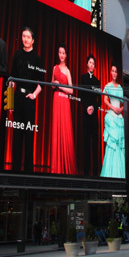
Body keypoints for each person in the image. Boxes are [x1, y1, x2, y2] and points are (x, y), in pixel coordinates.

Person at [9, 27, 43, 172]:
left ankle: (29, 171)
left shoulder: (37, 58)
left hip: (30, 98)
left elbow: (41, 83)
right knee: (16, 135)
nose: (25, 39)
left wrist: (34, 95)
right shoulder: (17, 55)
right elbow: (11, 80)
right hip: (17, 96)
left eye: (28, 37)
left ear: (33, 40)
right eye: (23, 36)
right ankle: (15, 169)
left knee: (29, 135)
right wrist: (10, 101)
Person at [49, 44, 77, 175]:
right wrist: (55, 85)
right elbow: (51, 85)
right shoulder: (54, 67)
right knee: (56, 128)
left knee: (65, 129)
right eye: (59, 52)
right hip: (56, 99)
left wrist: (60, 86)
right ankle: (55, 168)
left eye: (63, 53)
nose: (61, 55)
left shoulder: (67, 70)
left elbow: (71, 90)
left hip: (64, 99)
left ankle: (66, 167)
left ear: (66, 55)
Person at [100, 65, 124, 178]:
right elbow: (104, 99)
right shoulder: (107, 86)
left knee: (120, 145)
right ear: (110, 72)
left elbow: (124, 102)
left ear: (117, 73)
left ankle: (120, 173)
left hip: (119, 118)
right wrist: (113, 108)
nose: (114, 73)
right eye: (113, 71)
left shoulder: (120, 88)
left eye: (116, 71)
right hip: (112, 116)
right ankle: (111, 173)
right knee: (112, 145)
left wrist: (121, 109)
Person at [78, 55, 101, 175]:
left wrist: (94, 107)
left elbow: (100, 101)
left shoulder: (97, 81)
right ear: (87, 64)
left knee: (95, 146)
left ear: (94, 66)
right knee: (86, 144)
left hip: (94, 117)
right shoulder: (83, 78)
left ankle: (96, 173)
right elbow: (81, 96)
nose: (91, 65)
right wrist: (87, 107)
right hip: (86, 115)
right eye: (90, 62)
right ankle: (86, 173)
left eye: (93, 63)